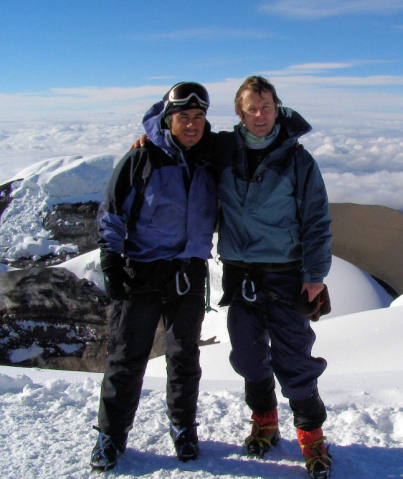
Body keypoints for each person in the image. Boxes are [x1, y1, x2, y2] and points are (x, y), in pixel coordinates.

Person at [90, 82, 217, 471]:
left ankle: (183, 427)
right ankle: (111, 435)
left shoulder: (213, 155)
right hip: (140, 270)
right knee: (127, 357)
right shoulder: (141, 159)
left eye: (199, 117)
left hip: (188, 272)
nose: (192, 124)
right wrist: (111, 260)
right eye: (184, 117)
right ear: (167, 118)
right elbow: (112, 214)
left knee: (184, 357)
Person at [214, 76, 333, 479]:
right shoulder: (224, 152)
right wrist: (145, 141)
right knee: (248, 356)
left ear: (277, 108)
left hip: (286, 275)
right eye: (252, 108)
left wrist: (315, 275)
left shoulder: (298, 160)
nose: (260, 114)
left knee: (294, 360)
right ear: (240, 113)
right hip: (240, 273)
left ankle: (311, 435)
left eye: (266, 106)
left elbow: (316, 218)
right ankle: (264, 419)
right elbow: (182, 145)